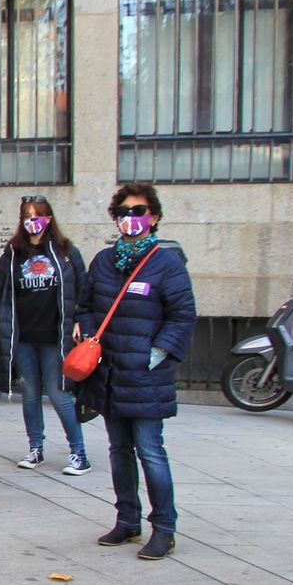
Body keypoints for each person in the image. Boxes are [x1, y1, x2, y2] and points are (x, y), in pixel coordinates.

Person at [76, 182, 195, 560]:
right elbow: (85, 305)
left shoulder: (167, 263)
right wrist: (87, 330)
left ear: (153, 217)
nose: (131, 219)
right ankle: (127, 520)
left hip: (144, 376)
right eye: (124, 212)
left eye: (138, 211)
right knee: (118, 450)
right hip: (109, 374)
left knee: (150, 451)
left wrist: (154, 355)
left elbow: (182, 315)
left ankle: (164, 528)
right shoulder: (103, 261)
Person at [0, 195, 90, 476]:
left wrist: (80, 320)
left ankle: (78, 452)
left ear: (49, 218)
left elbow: (84, 290)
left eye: (38, 215)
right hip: (24, 337)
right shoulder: (13, 253)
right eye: (27, 215)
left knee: (59, 395)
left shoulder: (66, 251)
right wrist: (3, 323)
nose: (33, 221)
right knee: (31, 394)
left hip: (56, 338)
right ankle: (35, 448)